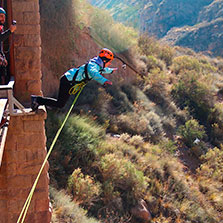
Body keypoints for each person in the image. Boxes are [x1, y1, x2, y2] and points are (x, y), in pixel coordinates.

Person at [31, 48, 117, 111]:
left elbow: (101, 70)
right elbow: (94, 73)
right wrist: (103, 80)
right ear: (104, 61)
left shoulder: (96, 64)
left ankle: (38, 101)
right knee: (60, 103)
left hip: (69, 81)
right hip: (67, 80)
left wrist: (111, 71)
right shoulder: (93, 66)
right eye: (109, 62)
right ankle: (37, 100)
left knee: (61, 103)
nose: (109, 64)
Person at [0, 7, 16, 84]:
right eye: (1, 16)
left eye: (4, 16)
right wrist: (10, 31)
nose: (3, 18)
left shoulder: (1, 28)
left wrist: (2, 56)